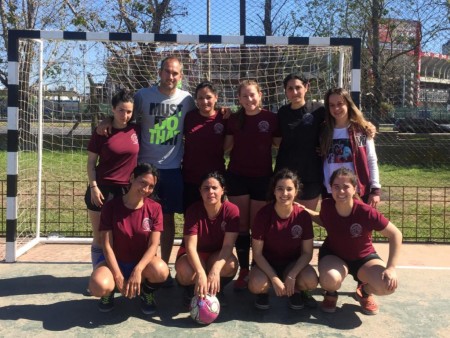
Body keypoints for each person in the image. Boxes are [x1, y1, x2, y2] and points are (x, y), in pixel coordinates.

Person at [97, 56, 196, 280]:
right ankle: (125, 267)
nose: (170, 77)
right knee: (133, 218)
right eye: (167, 72)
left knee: (167, 220)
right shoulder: (143, 96)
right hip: (143, 168)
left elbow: (205, 113)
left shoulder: (187, 99)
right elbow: (124, 114)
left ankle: (163, 266)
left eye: (175, 73)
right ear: (159, 72)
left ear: (181, 76)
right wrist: (106, 120)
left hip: (171, 169)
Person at [306, 167, 402, 315]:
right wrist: (304, 211)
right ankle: (331, 293)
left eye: (346, 187)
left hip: (364, 258)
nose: (341, 191)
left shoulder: (366, 212)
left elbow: (395, 234)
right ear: (330, 188)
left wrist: (391, 268)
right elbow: (325, 220)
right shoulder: (327, 205)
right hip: (334, 255)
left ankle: (363, 291)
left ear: (355, 188)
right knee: (330, 279)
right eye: (336, 187)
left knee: (387, 285)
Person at [89, 163, 169, 314]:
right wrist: (118, 276)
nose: (146, 189)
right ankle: (108, 293)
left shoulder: (155, 208)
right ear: (132, 178)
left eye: (151, 186)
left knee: (161, 271)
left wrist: (138, 270)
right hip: (115, 262)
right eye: (142, 182)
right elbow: (107, 246)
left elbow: (153, 245)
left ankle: (147, 293)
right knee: (97, 286)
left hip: (142, 264)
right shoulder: (111, 206)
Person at [224, 79, 281, 290]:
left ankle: (258, 268)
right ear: (238, 99)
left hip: (263, 178)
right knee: (240, 226)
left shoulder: (271, 119)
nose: (249, 99)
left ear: (260, 95)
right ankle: (244, 270)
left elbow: (281, 144)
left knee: (257, 226)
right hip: (237, 177)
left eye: (252, 95)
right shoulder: (233, 119)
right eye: (244, 96)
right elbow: (226, 147)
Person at [248, 169, 318, 310]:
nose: (284, 193)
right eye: (280, 189)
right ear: (274, 191)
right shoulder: (263, 215)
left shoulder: (302, 216)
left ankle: (296, 291)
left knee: (311, 281)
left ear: (296, 191)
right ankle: (264, 292)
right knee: (256, 284)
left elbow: (307, 253)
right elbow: (257, 254)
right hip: (266, 264)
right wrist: (274, 278)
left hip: (292, 264)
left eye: (289, 189)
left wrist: (292, 275)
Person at [85, 89, 139, 268]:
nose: (125, 115)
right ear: (113, 109)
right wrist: (94, 187)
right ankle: (97, 275)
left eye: (129, 111)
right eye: (121, 110)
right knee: (100, 236)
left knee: (120, 236)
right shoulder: (101, 132)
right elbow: (91, 163)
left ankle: (117, 274)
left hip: (126, 191)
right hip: (102, 190)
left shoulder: (136, 129)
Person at [175, 172, 239, 307]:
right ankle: (190, 290)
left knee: (231, 264)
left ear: (223, 190)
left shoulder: (232, 210)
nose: (210, 191)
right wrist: (200, 272)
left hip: (216, 254)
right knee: (185, 270)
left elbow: (228, 246)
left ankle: (216, 289)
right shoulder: (193, 210)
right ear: (200, 191)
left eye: (214, 188)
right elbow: (190, 247)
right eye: (206, 188)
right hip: (194, 254)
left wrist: (215, 271)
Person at [321, 87, 381, 208]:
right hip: (332, 190)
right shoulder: (323, 130)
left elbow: (371, 159)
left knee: (359, 225)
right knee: (335, 225)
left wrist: (375, 189)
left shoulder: (361, 130)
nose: (336, 108)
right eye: (331, 105)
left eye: (340, 104)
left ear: (348, 104)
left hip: (357, 190)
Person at [275, 74, 326, 211]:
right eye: (290, 89)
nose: (294, 92)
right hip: (285, 173)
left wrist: (325, 146)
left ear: (306, 87)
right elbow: (276, 139)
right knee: (285, 216)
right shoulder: (282, 112)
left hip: (311, 174)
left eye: (298, 87)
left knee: (304, 218)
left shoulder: (319, 110)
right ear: (285, 91)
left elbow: (341, 121)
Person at [182, 81, 227, 211]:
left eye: (208, 97)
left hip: (215, 178)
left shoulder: (224, 117)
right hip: (191, 176)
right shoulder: (189, 117)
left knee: (215, 217)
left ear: (216, 97)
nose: (204, 101)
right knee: (191, 216)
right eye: (200, 98)